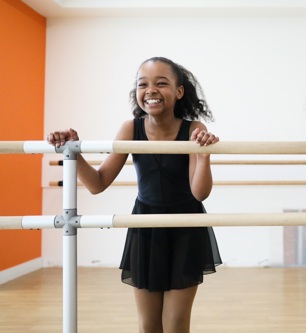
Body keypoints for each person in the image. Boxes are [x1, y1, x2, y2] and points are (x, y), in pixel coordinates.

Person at [47, 56, 222, 333]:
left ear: (179, 92)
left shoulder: (194, 130)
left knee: (175, 324)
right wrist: (73, 150)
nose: (150, 89)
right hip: (145, 227)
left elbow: (199, 193)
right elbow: (98, 183)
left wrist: (204, 156)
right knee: (149, 325)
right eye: (143, 84)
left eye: (161, 83)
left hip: (186, 228)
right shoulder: (131, 128)